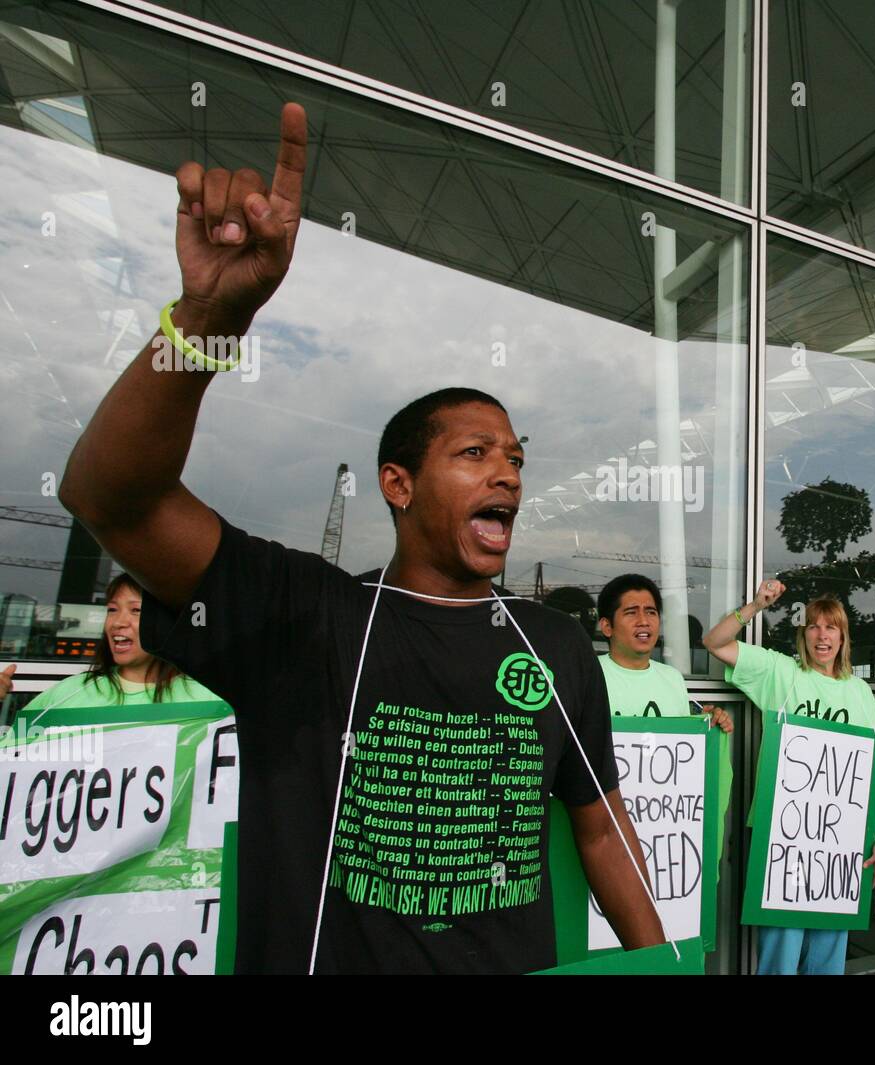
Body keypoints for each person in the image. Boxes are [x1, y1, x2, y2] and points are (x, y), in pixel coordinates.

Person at [55, 102, 663, 974]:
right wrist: (204, 320)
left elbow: (601, 828)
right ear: (398, 484)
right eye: (476, 453)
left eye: (517, 459)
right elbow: (108, 497)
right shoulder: (303, 614)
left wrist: (664, 966)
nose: (509, 474)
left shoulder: (558, 647)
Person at [702, 579, 875, 974]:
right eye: (814, 627)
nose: (823, 636)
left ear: (843, 637)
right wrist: (755, 606)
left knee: (828, 956)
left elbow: (867, 774)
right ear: (803, 635)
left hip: (842, 839)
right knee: (780, 954)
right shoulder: (781, 672)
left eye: (831, 627)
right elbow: (714, 643)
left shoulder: (860, 693)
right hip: (783, 837)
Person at [17, 573, 220, 722]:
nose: (117, 622)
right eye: (112, 610)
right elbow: (13, 756)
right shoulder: (66, 695)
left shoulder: (212, 699)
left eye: (136, 610)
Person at [596, 573, 731, 732]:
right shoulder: (588, 675)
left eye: (650, 612)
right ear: (607, 627)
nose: (644, 621)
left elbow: (681, 741)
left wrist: (706, 723)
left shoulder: (672, 678)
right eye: (631, 612)